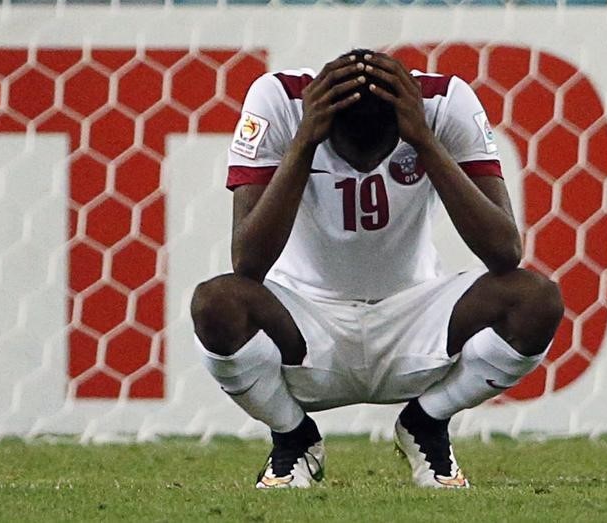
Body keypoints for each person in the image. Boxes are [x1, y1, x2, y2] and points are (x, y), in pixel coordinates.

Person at [191, 49, 563, 489]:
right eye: (348, 152)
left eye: (381, 152)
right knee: (215, 303)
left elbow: (504, 251)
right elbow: (248, 262)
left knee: (536, 300)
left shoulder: (444, 102)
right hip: (306, 319)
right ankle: (293, 438)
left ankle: (426, 424)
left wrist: (424, 140)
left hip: (416, 316)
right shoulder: (280, 100)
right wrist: (306, 139)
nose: (365, 166)